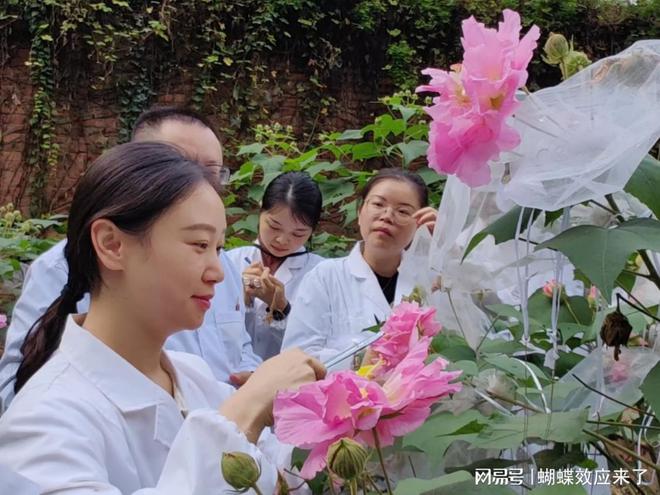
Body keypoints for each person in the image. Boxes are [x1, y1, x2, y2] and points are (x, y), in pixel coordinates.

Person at [0, 142, 324, 494]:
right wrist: (245, 411)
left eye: (218, 248)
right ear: (112, 244)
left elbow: (291, 478)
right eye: (199, 245)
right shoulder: (44, 423)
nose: (218, 272)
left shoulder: (192, 376)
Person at [0, 107, 260, 410]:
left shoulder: (221, 266)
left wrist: (253, 383)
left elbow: (239, 348)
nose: (197, 181)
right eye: (177, 163)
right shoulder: (65, 266)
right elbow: (17, 388)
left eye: (212, 172)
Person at [281, 168, 437, 366]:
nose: (387, 216)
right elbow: (294, 359)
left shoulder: (432, 281)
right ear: (360, 211)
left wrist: (443, 250)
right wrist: (361, 360)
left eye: (403, 211)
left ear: (420, 223)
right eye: (379, 204)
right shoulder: (325, 277)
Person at [226, 172, 324, 359]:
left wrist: (282, 309)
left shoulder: (321, 274)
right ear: (261, 210)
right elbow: (210, 334)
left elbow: (314, 349)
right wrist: (242, 299)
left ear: (313, 230)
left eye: (298, 234)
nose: (282, 240)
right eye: (274, 226)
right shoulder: (230, 262)